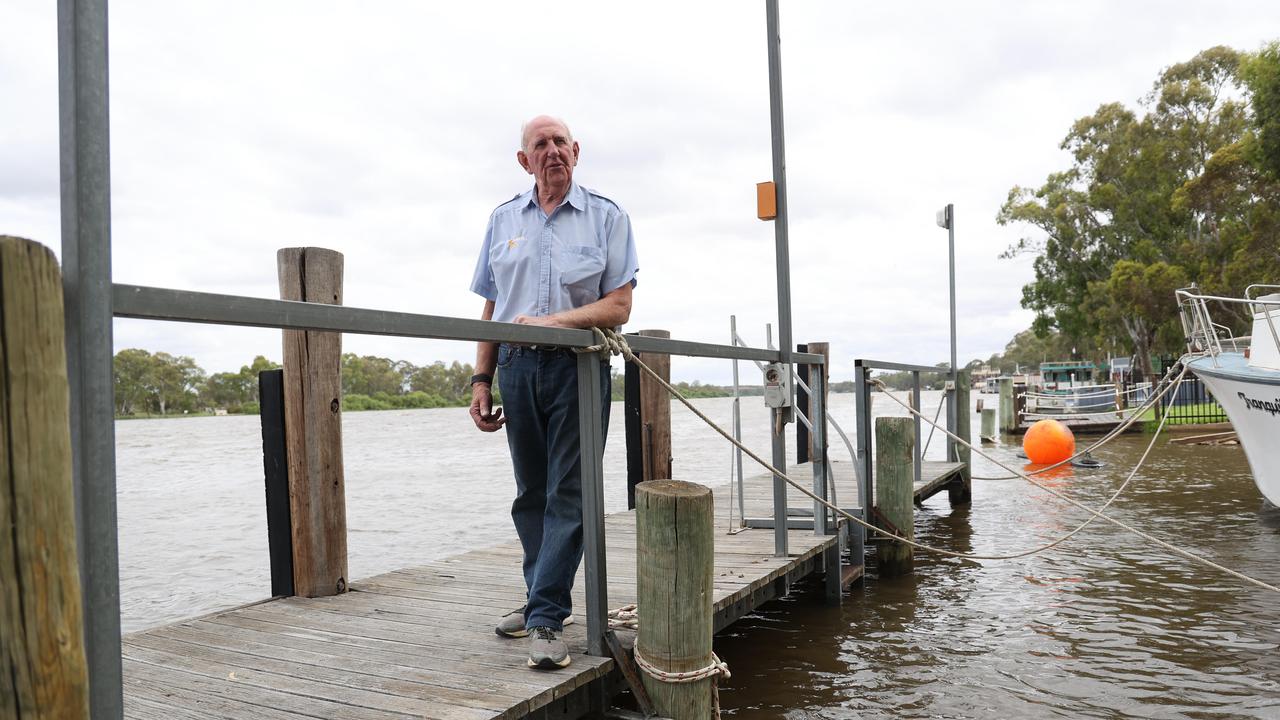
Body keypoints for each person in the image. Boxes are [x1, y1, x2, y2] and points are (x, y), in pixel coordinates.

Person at [468, 115, 638, 670]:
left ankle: (544, 616)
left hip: (578, 367)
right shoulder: (502, 220)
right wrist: (480, 380)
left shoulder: (606, 217)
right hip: (516, 368)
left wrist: (558, 323)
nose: (552, 151)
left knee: (570, 492)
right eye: (540, 144)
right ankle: (543, 596)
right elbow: (491, 308)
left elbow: (618, 306)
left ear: (577, 151)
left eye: (561, 142)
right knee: (530, 493)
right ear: (525, 160)